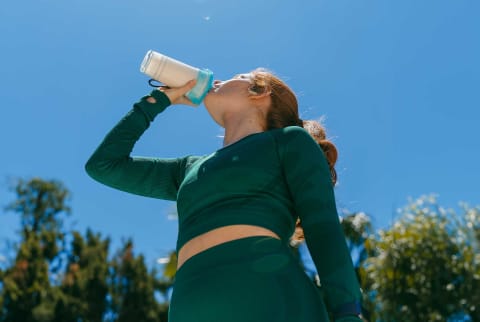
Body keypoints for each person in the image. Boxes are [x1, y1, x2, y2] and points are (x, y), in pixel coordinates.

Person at [85, 68, 363, 322]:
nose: (217, 80)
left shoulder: (288, 141)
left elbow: (323, 227)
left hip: (270, 296)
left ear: (261, 92)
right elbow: (103, 166)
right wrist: (156, 102)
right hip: (188, 307)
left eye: (238, 75)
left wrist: (348, 312)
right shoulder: (190, 168)